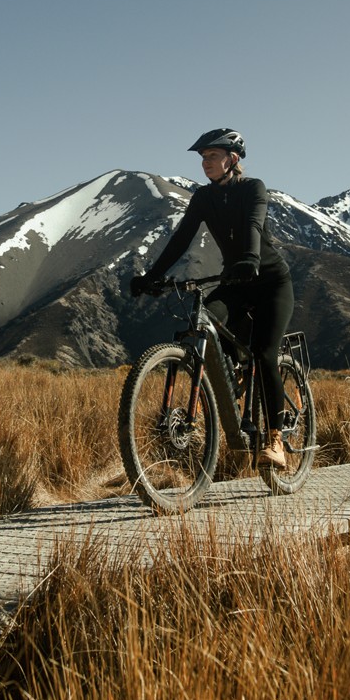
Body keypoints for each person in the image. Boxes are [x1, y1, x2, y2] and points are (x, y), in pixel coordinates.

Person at [129, 128, 295, 469]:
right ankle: (235, 375)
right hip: (235, 281)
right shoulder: (203, 197)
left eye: (212, 156)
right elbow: (181, 239)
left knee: (265, 354)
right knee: (208, 321)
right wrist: (151, 277)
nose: (205, 162)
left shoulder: (253, 188)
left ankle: (275, 439)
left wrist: (250, 257)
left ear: (232, 159)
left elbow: (254, 222)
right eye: (203, 157)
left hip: (270, 283)